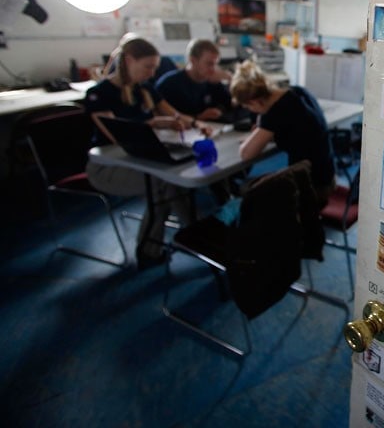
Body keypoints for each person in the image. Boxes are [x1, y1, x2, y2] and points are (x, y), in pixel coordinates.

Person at [84, 37, 206, 269]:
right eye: (148, 67)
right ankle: (153, 250)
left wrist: (197, 124)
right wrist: (155, 122)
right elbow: (119, 136)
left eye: (154, 68)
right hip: (108, 167)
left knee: (175, 178)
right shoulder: (99, 94)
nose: (152, 73)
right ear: (129, 61)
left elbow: (174, 114)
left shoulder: (145, 89)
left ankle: (194, 235)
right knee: (161, 185)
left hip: (141, 159)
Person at [229, 60, 335, 208]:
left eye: (247, 106)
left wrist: (259, 128)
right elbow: (296, 130)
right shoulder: (297, 91)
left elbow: (246, 154)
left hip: (312, 188)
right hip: (327, 176)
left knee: (248, 190)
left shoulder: (274, 112)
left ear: (253, 101)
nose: (249, 110)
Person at [155, 39, 232, 122]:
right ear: (193, 60)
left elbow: (232, 106)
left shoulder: (212, 81)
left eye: (215, 64)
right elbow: (160, 116)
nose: (213, 69)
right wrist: (198, 117)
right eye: (209, 64)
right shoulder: (169, 84)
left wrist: (231, 82)